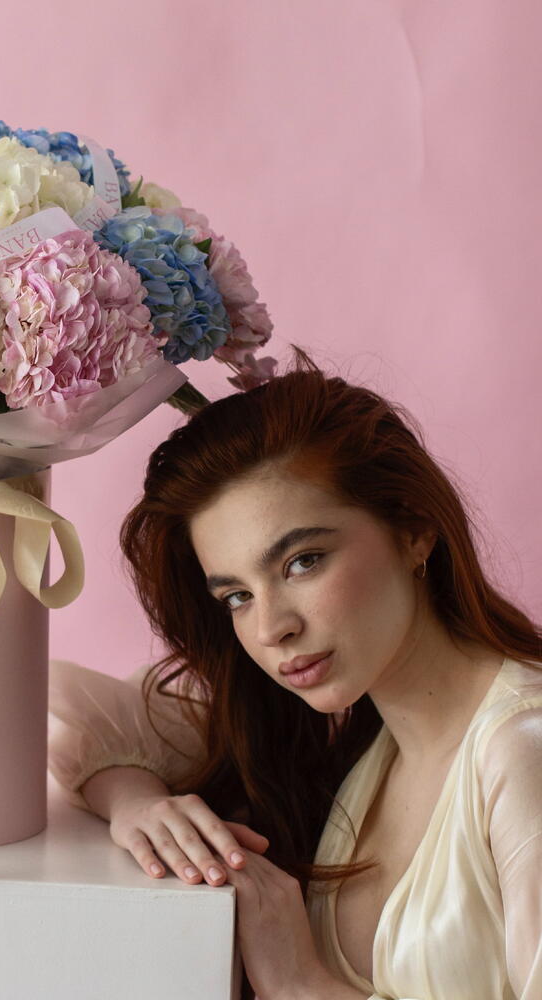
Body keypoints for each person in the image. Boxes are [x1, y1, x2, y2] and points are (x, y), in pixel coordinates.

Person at [48, 353, 542, 1000]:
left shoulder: (522, 749)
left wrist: (299, 984)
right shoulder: (362, 738)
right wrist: (139, 805)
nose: (270, 628)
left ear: (413, 531)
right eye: (236, 596)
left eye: (303, 562)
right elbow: (71, 717)